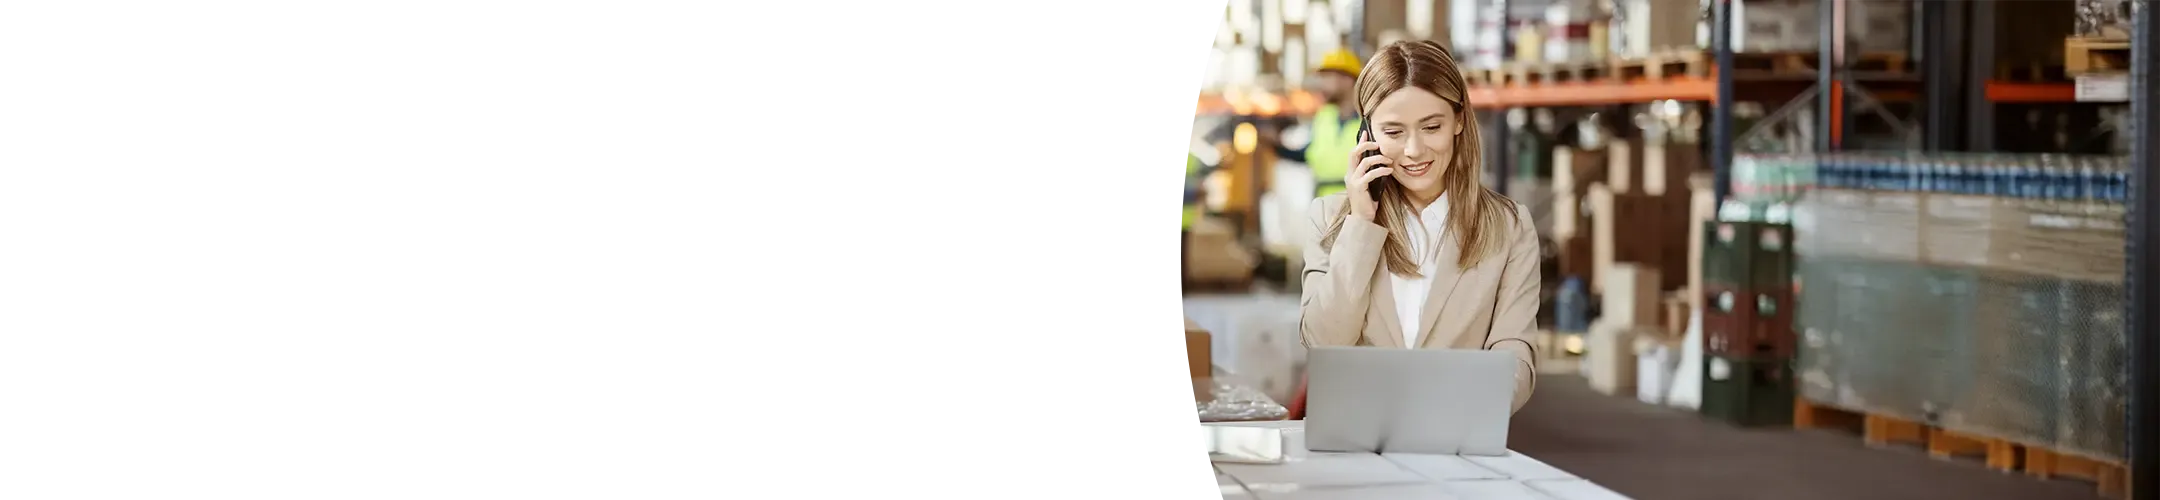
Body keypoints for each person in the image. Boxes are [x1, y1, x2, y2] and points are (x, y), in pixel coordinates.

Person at [1297, 40, 1541, 414]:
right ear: (1367, 133)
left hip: (1459, 444)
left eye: (1431, 127)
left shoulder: (1509, 227)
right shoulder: (1330, 221)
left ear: (1459, 120)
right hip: (1356, 448)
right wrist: (1361, 222)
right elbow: (1324, 341)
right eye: (1393, 132)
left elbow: (1515, 354)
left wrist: (1457, 415)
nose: (1413, 150)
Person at [1272, 48, 1366, 199]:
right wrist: (1276, 147)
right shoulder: (1324, 116)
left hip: (1360, 202)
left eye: (1328, 77)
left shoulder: (1368, 119)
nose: (1321, 85)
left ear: (1347, 80)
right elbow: (1309, 154)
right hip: (1324, 204)